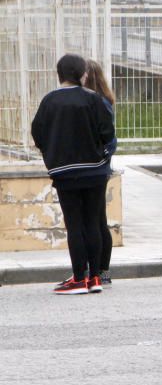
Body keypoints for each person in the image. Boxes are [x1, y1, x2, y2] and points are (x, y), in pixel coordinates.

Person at [31, 53, 115, 295]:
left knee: (75, 224)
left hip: (64, 173)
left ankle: (79, 278)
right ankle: (96, 277)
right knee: (93, 223)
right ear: (83, 74)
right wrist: (101, 156)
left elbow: (38, 133)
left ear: (59, 75)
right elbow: (107, 133)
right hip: (95, 171)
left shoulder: (49, 101)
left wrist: (51, 154)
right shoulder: (93, 99)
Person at [83, 59, 117, 287]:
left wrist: (101, 158)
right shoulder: (100, 101)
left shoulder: (98, 103)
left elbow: (110, 139)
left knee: (96, 220)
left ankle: (101, 269)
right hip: (99, 166)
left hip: (97, 167)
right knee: (95, 219)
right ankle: (98, 268)